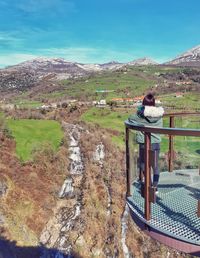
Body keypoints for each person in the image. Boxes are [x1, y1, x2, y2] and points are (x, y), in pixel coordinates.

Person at [128, 93, 164, 191]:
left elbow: (130, 119)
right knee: (155, 165)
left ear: (144, 104)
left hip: (145, 143)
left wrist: (140, 111)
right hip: (156, 143)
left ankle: (149, 185)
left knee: (143, 164)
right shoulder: (159, 114)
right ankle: (155, 187)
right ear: (153, 103)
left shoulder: (141, 116)